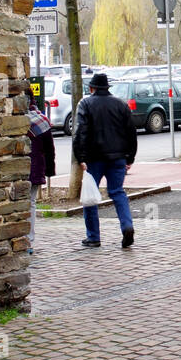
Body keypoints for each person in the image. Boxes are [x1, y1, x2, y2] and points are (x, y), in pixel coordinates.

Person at [71, 73, 137, 248]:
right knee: (117, 192)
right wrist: (130, 157)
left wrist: (81, 157)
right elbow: (131, 132)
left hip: (94, 158)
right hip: (118, 157)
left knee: (90, 196)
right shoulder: (121, 105)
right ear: (107, 88)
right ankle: (127, 225)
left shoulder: (85, 104)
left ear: (92, 88)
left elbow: (80, 132)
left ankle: (93, 237)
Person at [26, 97, 56, 255]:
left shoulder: (15, 121)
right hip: (34, 169)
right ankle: (29, 241)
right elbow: (49, 149)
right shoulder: (41, 121)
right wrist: (49, 170)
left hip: (20, 169)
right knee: (30, 203)